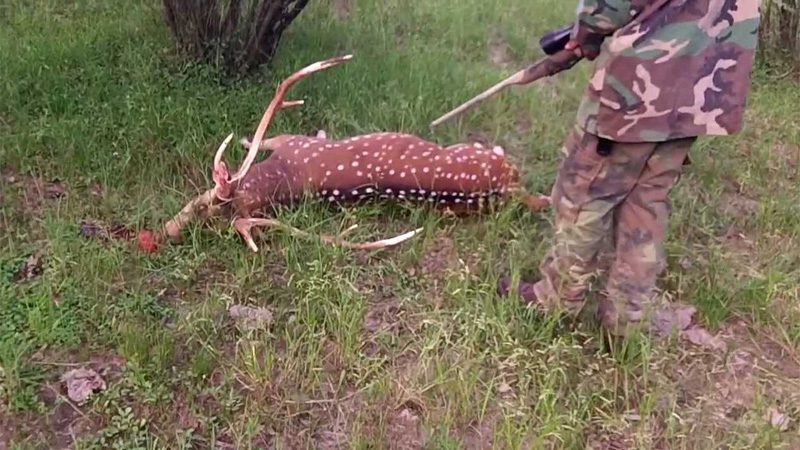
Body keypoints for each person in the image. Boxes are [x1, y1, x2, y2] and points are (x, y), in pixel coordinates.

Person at [498, 0, 762, 338]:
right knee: (647, 201)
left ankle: (556, 300)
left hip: (639, 88)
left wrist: (586, 32)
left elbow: (608, 8)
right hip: (701, 86)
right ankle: (626, 318)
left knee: (584, 191)